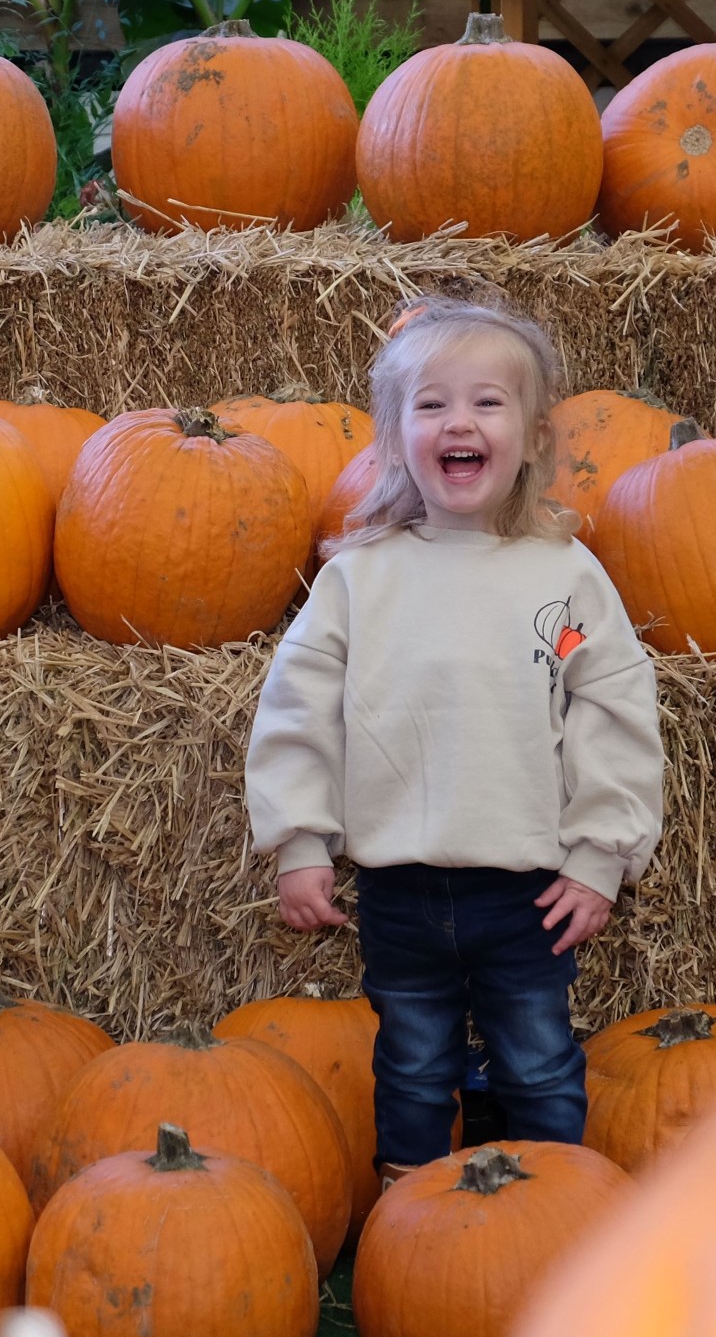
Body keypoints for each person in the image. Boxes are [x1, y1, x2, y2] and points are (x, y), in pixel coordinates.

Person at [244, 295, 665, 1186]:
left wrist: (601, 852)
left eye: (486, 402)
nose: (458, 421)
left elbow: (613, 707)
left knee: (540, 1059)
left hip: (529, 890)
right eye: (430, 405)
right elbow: (298, 705)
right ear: (395, 439)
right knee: (412, 1061)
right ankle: (415, 1213)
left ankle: (552, 1201)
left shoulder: (566, 578)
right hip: (399, 887)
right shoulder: (360, 578)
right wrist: (300, 837)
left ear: (532, 436)